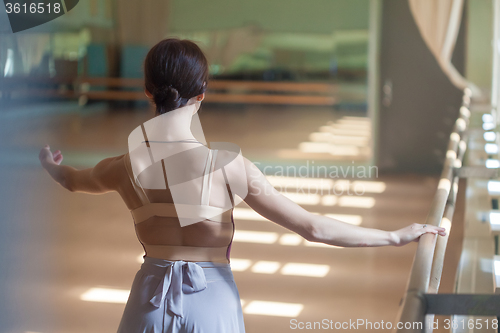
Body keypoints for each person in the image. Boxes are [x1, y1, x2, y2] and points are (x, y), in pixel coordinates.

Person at [38, 38, 447, 333]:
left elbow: (74, 180)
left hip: (146, 303)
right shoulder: (229, 167)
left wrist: (52, 166)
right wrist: (396, 236)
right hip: (211, 305)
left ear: (148, 91)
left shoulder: (124, 166)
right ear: (203, 92)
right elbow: (313, 228)